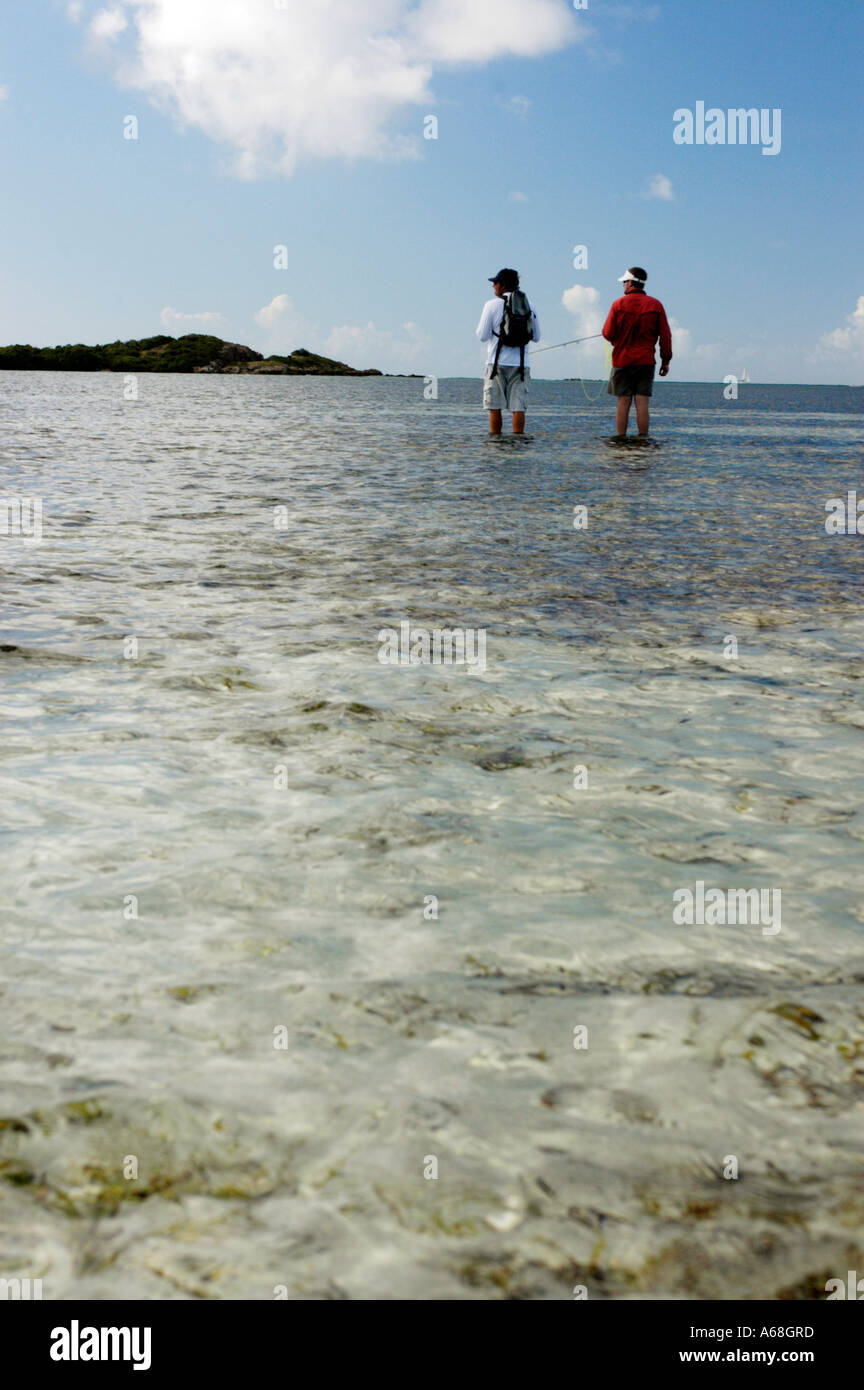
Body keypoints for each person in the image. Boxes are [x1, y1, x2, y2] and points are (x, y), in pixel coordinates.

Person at [602, 267, 672, 438]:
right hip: (646, 361)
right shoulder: (656, 305)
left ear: (631, 282)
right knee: (642, 402)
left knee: (623, 401)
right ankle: (643, 441)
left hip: (622, 360)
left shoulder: (618, 304)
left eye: (624, 282)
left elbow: (607, 333)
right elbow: (665, 336)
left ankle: (620, 440)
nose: (623, 285)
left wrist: (615, 341)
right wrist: (665, 361)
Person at [476, 268, 540, 436]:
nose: (493, 287)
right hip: (521, 365)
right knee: (519, 408)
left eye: (495, 283)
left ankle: (496, 447)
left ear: (502, 285)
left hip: (495, 364)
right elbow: (537, 337)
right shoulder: (529, 305)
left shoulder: (490, 305)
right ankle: (517, 448)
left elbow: (482, 336)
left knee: (494, 407)